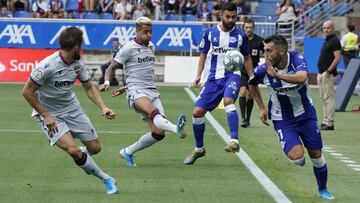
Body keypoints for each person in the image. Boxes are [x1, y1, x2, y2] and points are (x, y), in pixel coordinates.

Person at [21, 27, 118, 195]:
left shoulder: (78, 63)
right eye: (81, 44)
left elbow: (88, 87)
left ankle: (83, 158)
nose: (82, 47)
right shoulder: (47, 66)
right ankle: (106, 178)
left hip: (71, 108)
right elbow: (27, 92)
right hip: (49, 113)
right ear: (75, 46)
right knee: (73, 150)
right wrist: (46, 115)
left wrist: (103, 106)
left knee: (95, 148)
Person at [249, 34, 335, 200]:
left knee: (316, 154)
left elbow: (302, 77)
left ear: (281, 51)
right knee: (297, 158)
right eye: (264, 51)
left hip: (305, 115)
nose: (265, 55)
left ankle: (323, 189)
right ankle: (299, 157)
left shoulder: (296, 59)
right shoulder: (263, 69)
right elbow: (251, 83)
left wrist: (278, 76)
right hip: (282, 118)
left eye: (268, 51)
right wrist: (261, 107)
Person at [99, 17, 187, 167]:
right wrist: (107, 82)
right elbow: (111, 67)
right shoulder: (128, 48)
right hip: (136, 91)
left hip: (151, 90)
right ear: (137, 31)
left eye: (151, 32)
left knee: (158, 133)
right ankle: (176, 129)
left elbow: (139, 71)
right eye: (145, 32)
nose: (149, 35)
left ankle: (127, 152)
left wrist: (125, 86)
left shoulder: (151, 46)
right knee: (155, 113)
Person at [183, 2, 253, 165]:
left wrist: (251, 77)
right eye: (227, 17)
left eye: (234, 17)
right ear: (221, 15)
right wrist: (198, 75)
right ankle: (199, 149)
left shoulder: (241, 36)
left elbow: (247, 57)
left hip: (232, 75)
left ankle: (234, 141)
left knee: (228, 101)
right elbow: (203, 54)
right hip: (213, 79)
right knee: (197, 112)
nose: (231, 20)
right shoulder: (210, 33)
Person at [238, 19, 264, 128]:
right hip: (243, 69)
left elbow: (267, 52)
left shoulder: (259, 41)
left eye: (250, 27)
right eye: (247, 27)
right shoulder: (240, 39)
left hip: (254, 70)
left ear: (254, 28)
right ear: (243, 28)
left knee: (251, 95)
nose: (248, 29)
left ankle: (247, 119)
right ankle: (243, 118)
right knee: (243, 91)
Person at [317, 20, 341, 131]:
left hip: (328, 74)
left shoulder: (335, 41)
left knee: (329, 98)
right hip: (321, 73)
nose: (326, 30)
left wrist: (328, 71)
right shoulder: (327, 40)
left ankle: (330, 123)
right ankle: (325, 121)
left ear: (333, 28)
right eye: (324, 28)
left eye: (328, 28)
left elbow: (337, 58)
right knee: (323, 98)